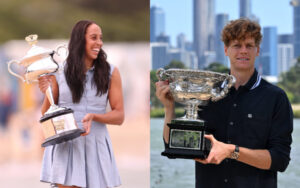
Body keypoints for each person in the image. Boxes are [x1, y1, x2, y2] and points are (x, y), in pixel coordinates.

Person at [156, 18, 293, 188]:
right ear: (226, 50)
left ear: (257, 50)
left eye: (249, 46)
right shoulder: (206, 94)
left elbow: (280, 160)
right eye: (237, 45)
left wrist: (231, 151)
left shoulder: (276, 98)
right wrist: (169, 107)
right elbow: (174, 145)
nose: (243, 51)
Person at [38, 20, 124, 188]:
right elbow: (46, 115)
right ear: (79, 40)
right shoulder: (58, 72)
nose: (99, 42)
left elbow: (119, 116)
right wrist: (49, 92)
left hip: (96, 145)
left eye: (100, 38)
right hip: (66, 144)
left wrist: (94, 116)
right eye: (94, 37)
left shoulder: (112, 72)